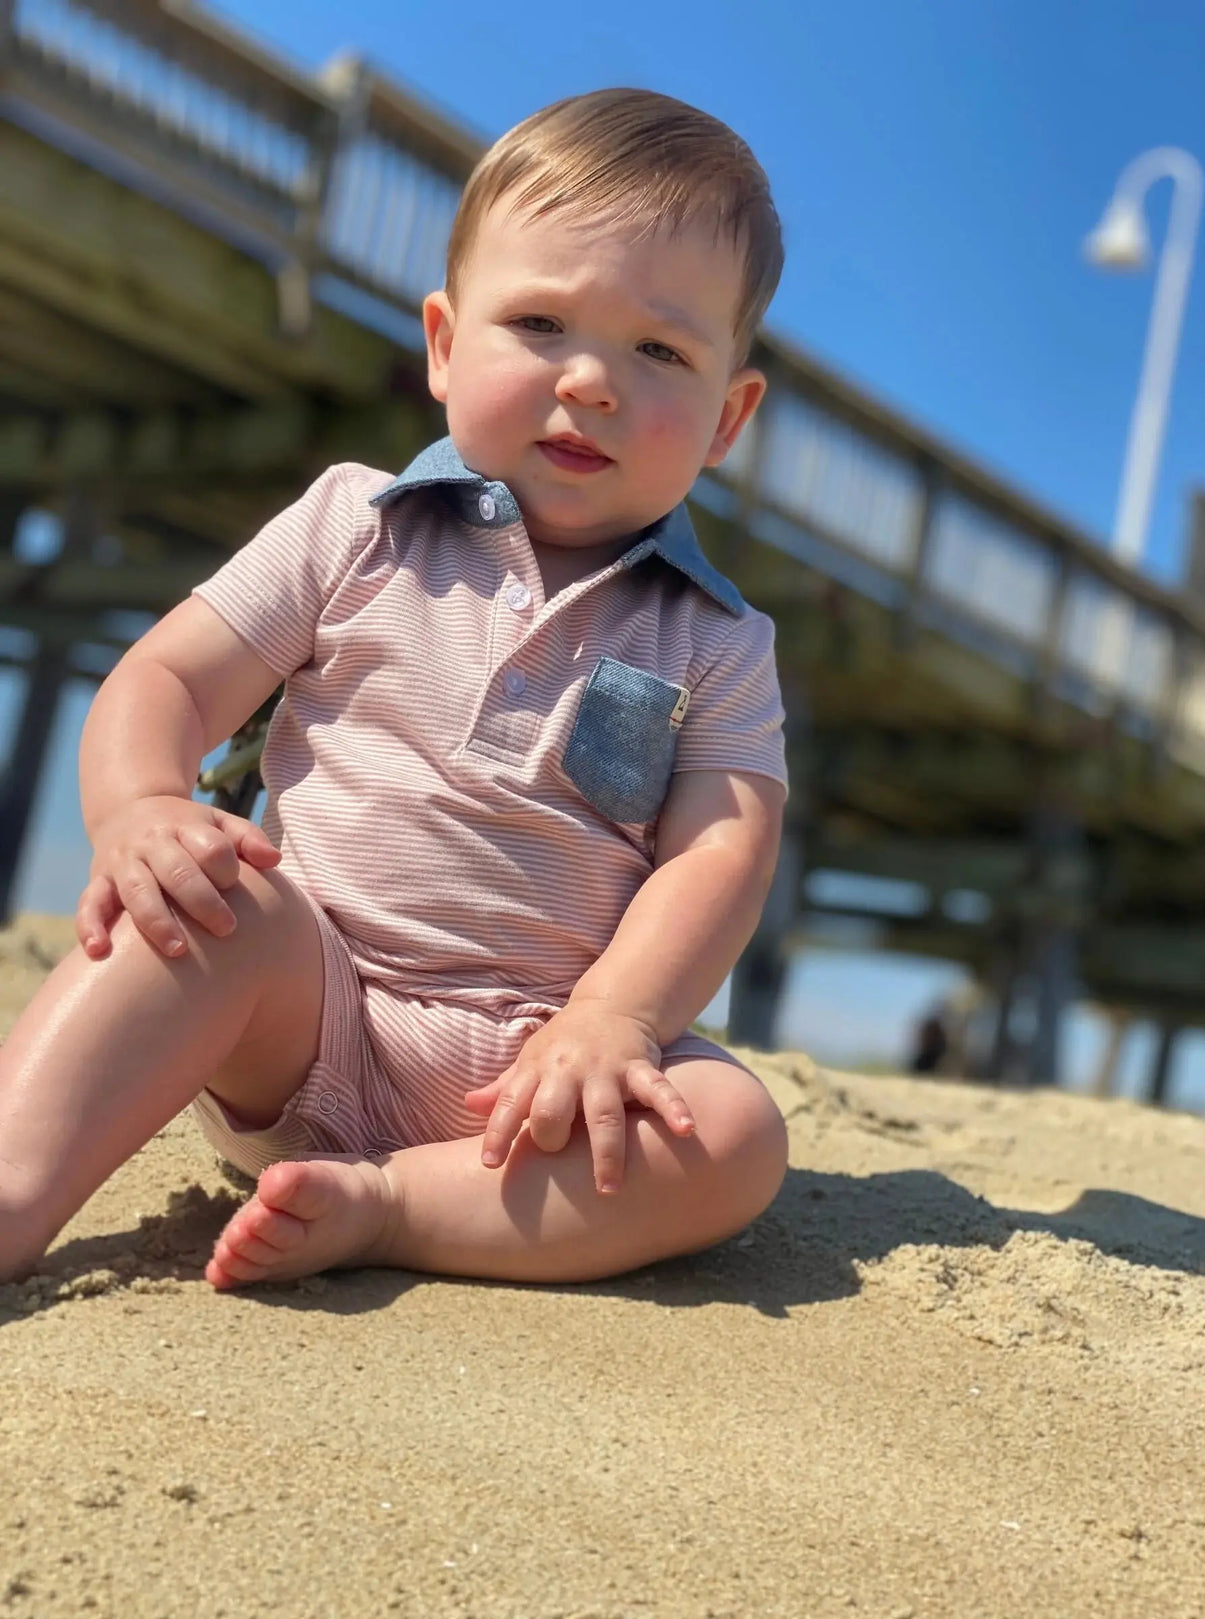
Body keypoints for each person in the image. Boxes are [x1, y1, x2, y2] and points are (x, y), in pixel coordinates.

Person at [0, 88, 791, 1290]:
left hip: (532, 1080)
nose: (589, 380)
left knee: (733, 1133)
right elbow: (166, 673)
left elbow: (717, 857)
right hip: (305, 1000)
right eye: (538, 321)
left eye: (659, 350)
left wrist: (617, 1017)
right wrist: (139, 807)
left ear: (728, 416)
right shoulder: (353, 526)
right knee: (206, 897)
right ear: (440, 342)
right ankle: (18, 1182)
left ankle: (393, 1208)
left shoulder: (717, 640)